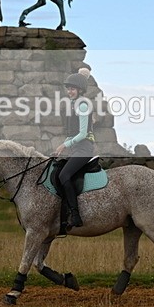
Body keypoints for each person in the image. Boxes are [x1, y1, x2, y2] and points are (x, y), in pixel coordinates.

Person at [53, 68, 96, 228]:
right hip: (76, 148)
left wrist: (65, 144)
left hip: (84, 149)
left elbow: (83, 133)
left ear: (79, 90)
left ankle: (75, 215)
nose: (69, 91)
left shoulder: (82, 105)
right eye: (68, 88)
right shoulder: (73, 104)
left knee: (64, 175)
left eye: (72, 88)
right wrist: (61, 148)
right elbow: (72, 134)